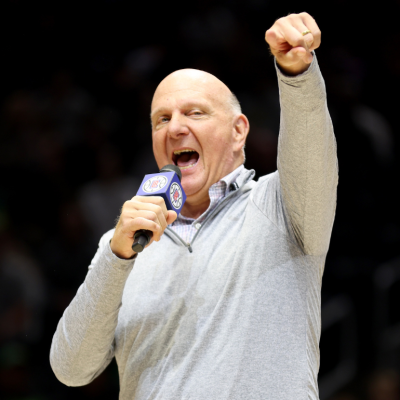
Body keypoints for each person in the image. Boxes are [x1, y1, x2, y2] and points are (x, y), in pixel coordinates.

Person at [50, 12, 338, 400]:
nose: (174, 128)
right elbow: (70, 370)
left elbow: (310, 147)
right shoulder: (123, 245)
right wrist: (117, 257)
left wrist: (297, 75)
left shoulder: (282, 205)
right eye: (161, 119)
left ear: (239, 131)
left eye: (195, 113)